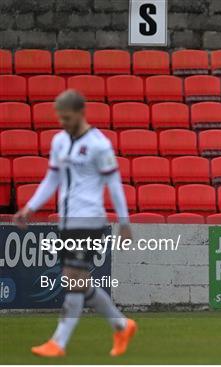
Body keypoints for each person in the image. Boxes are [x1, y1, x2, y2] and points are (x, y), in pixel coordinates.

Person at [13, 90, 137, 357]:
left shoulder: (99, 145)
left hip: (89, 220)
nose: (63, 123)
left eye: (67, 118)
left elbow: (114, 185)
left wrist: (124, 221)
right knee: (80, 282)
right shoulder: (59, 141)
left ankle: (58, 342)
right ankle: (121, 324)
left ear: (81, 113)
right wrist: (30, 207)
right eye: (60, 118)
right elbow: (52, 179)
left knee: (72, 280)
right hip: (67, 222)